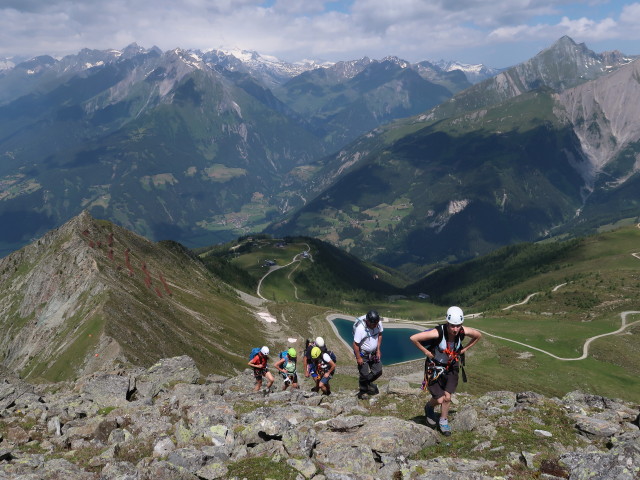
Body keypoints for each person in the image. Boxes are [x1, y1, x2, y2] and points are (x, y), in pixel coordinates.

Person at [409, 306, 482, 436]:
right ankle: (429, 406)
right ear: (447, 323)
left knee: (447, 397)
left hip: (452, 366)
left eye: (458, 326)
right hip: (434, 368)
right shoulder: (438, 333)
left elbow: (478, 335)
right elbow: (414, 338)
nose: (455, 329)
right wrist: (426, 352)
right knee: (439, 399)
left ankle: (443, 420)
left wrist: (465, 349)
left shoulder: (462, 331)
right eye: (452, 326)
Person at [353, 310, 383, 399]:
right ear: (367, 321)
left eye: (376, 323)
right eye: (373, 324)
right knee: (364, 374)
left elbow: (380, 334)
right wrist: (358, 357)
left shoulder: (378, 323)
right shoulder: (360, 329)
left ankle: (366, 383)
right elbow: (355, 344)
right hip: (363, 355)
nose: (375, 326)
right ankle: (362, 392)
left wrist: (378, 350)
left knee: (378, 371)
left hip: (373, 353)